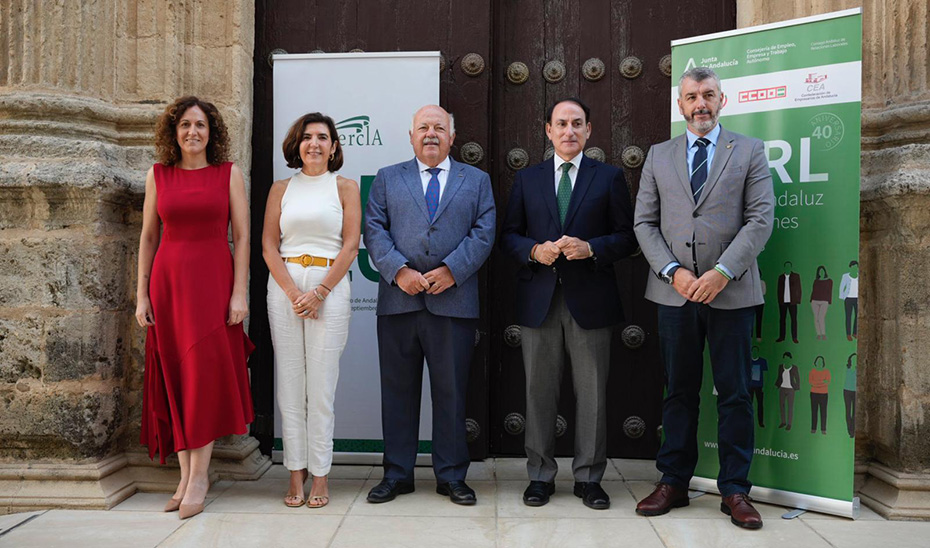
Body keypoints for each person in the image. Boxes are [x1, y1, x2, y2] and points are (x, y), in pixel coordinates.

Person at [633, 67, 774, 529]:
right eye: (692, 96)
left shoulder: (750, 151)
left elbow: (759, 220)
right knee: (679, 391)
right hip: (674, 295)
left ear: (722, 100)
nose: (701, 104)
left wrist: (721, 273)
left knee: (734, 393)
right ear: (680, 105)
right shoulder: (658, 155)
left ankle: (735, 490)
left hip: (731, 294)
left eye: (708, 95)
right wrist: (673, 272)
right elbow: (645, 224)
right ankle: (672, 480)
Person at [499, 97, 637, 510]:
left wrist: (591, 248)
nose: (569, 131)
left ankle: (589, 479)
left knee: (592, 393)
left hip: (590, 300)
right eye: (561, 124)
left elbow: (628, 237)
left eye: (577, 123)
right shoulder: (528, 179)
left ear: (589, 130)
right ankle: (540, 476)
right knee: (538, 392)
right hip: (538, 300)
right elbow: (508, 235)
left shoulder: (609, 177)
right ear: (548, 130)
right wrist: (533, 251)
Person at [363, 105, 495, 506]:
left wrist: (453, 270)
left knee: (452, 393)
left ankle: (452, 476)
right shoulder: (388, 178)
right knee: (397, 393)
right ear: (411, 135)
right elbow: (374, 228)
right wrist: (399, 271)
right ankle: (398, 474)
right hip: (399, 302)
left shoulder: (477, 180)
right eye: (424, 127)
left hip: (453, 302)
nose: (431, 134)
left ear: (452, 137)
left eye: (440, 127)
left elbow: (485, 230)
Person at [136, 96, 254, 520]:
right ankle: (184, 476)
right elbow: (149, 238)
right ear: (174, 132)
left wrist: (239, 293)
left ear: (212, 132)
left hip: (212, 287)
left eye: (200, 125)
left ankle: (201, 476)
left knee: (201, 376)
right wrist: (141, 294)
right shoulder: (158, 175)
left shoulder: (228, 175)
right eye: (185, 125)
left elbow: (241, 238)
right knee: (176, 377)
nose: (192, 132)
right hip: (168, 288)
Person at [262, 113, 361, 508]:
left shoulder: (345, 187)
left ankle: (320, 476)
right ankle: (295, 474)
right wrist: (292, 292)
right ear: (296, 145)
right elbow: (269, 246)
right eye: (307, 138)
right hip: (285, 287)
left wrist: (318, 292)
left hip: (329, 288)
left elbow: (351, 246)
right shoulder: (281, 188)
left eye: (323, 137)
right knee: (290, 385)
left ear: (334, 146)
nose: (314, 144)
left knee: (321, 388)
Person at [776, 261, 801, 343]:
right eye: (786, 266)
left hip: (793, 302)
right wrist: (779, 300)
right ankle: (782, 337)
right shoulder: (781, 277)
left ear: (790, 268)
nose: (787, 268)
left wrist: (798, 300)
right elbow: (778, 290)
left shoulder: (796, 276)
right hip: (783, 302)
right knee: (782, 320)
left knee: (794, 320)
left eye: (789, 266)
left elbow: (799, 289)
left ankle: (794, 337)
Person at [774, 352, 800, 430]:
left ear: (790, 359)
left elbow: (797, 378)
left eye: (788, 358)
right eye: (785, 358)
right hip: (782, 388)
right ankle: (783, 422)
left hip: (791, 389)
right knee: (782, 406)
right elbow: (779, 377)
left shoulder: (794, 367)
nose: (786, 360)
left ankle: (789, 424)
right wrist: (776, 386)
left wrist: (797, 387)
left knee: (790, 407)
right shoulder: (781, 367)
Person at [809, 355, 831, 435]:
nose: (819, 363)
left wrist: (817, 383)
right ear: (815, 363)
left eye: (821, 362)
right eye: (818, 362)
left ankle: (823, 429)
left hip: (824, 394)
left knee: (823, 412)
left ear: (823, 363)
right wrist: (822, 382)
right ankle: (813, 428)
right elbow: (811, 382)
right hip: (814, 394)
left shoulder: (826, 371)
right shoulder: (812, 371)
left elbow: (828, 382)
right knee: (814, 411)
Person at [810, 266, 833, 340]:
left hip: (824, 301)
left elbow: (830, 291)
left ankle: (823, 334)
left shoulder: (829, 281)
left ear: (825, 272)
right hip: (815, 301)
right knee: (816, 318)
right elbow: (813, 291)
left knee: (821, 317)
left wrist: (829, 301)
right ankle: (818, 334)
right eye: (820, 272)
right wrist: (811, 300)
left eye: (823, 271)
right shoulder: (816, 281)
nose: (821, 273)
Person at [839, 261, 859, 341]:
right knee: (848, 316)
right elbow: (842, 287)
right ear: (850, 267)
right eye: (853, 266)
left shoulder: (859, 276)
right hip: (848, 298)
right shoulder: (845, 276)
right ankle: (848, 334)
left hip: (857, 298)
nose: (854, 268)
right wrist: (843, 297)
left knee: (857, 316)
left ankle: (855, 332)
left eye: (856, 267)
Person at [749, 347, 768, 428]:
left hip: (759, 387)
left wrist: (765, 386)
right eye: (753, 351)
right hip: (749, 386)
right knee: (749, 405)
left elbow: (766, 375)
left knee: (760, 404)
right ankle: (749, 422)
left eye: (756, 351)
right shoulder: (748, 360)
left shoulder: (762, 361)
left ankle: (760, 422)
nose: (754, 353)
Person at [844, 353, 857, 438]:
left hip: (855, 391)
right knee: (848, 411)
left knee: (854, 412)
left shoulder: (857, 370)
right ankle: (850, 431)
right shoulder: (847, 369)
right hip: (847, 391)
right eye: (852, 360)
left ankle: (853, 429)